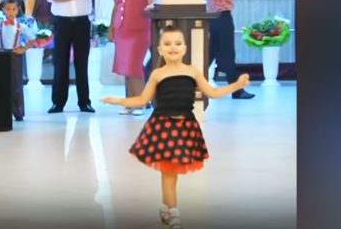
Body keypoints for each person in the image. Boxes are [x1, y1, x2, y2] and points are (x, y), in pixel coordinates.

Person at [101, 26, 251, 228]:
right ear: (160, 49)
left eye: (178, 43)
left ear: (184, 48)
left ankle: (166, 207)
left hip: (186, 128)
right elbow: (142, 99)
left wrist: (236, 85)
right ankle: (173, 212)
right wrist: (117, 100)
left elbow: (213, 92)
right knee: (169, 172)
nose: (173, 47)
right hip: (163, 128)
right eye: (168, 43)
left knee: (171, 171)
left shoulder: (192, 71)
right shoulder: (157, 74)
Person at [46, 0, 97, 113]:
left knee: (82, 63)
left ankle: (84, 102)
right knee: (60, 63)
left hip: (82, 23)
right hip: (62, 23)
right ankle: (58, 102)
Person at [108, 0, 156, 116]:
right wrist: (111, 28)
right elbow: (116, 6)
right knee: (126, 68)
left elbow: (152, 1)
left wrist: (150, 7)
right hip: (121, 30)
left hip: (139, 30)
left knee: (134, 66)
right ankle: (130, 102)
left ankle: (141, 103)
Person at [0, 0, 36, 121]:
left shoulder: (21, 26)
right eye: (8, 9)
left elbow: (32, 39)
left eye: (13, 9)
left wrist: (23, 49)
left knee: (16, 84)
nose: (11, 12)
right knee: (0, 82)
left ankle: (18, 112)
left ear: (18, 10)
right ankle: (1, 110)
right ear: (3, 9)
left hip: (15, 56)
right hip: (1, 55)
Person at [207, 0, 255, 99]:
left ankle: (192, 82)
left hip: (214, 18)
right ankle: (237, 90)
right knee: (228, 54)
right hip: (223, 17)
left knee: (211, 53)